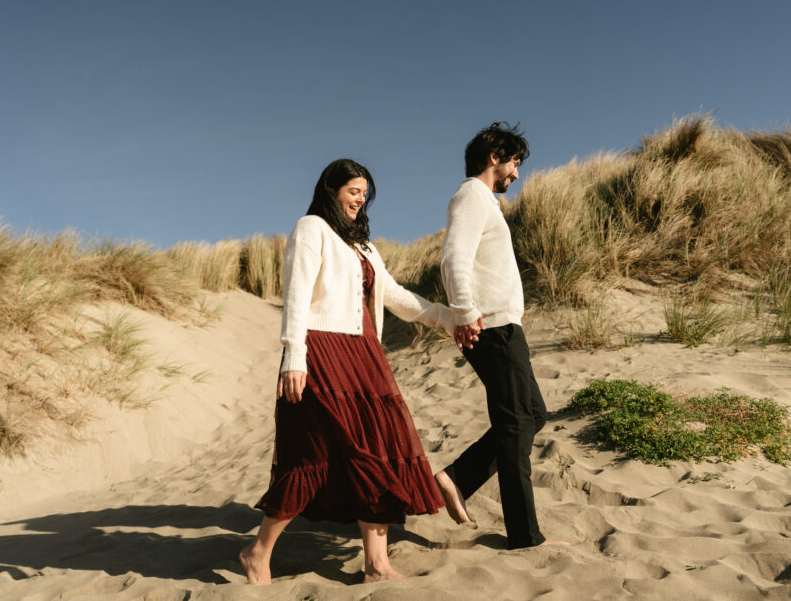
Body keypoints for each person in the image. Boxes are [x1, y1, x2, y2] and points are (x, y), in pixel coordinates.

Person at [240, 159, 453, 585]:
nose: (360, 199)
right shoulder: (311, 228)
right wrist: (293, 356)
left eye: (364, 193)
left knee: (376, 449)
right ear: (332, 190)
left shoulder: (364, 245)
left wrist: (442, 316)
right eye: (353, 190)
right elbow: (296, 296)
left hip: (364, 355)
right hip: (322, 349)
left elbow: (392, 294)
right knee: (314, 455)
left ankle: (376, 564)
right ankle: (257, 553)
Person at [434, 122, 562, 550]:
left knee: (532, 415)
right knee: (514, 426)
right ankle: (525, 536)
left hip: (503, 325)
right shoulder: (471, 195)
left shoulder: (484, 201)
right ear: (495, 157)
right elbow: (453, 258)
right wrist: (467, 313)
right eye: (515, 163)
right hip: (491, 326)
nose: (517, 174)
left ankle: (456, 478)